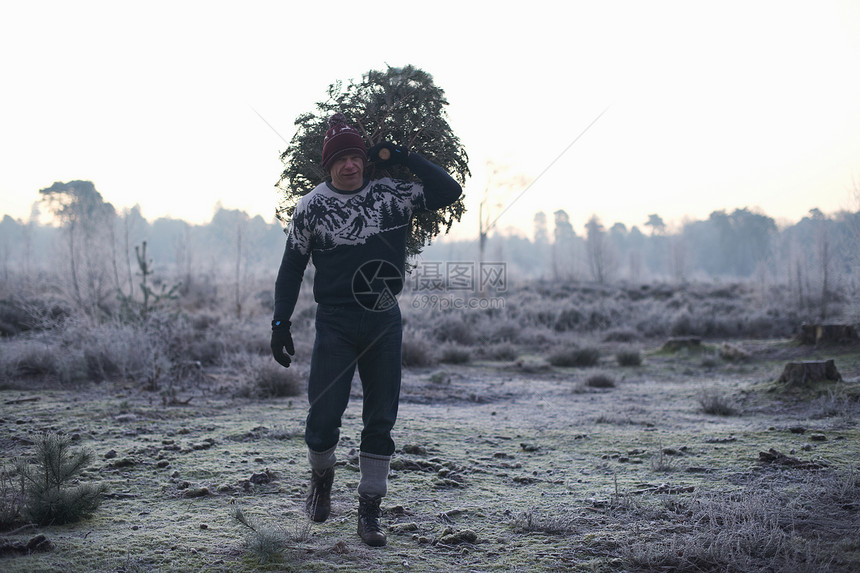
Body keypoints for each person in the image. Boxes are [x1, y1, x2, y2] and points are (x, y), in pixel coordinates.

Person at [270, 113, 462, 547]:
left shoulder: (394, 194)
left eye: (356, 156)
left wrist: (404, 156)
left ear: (366, 160)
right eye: (340, 159)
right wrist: (280, 322)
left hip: (382, 317)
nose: (350, 165)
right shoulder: (311, 206)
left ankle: (369, 510)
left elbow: (450, 190)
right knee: (323, 416)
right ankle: (321, 479)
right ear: (328, 166)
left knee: (381, 420)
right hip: (335, 321)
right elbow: (290, 269)